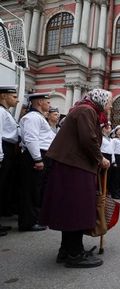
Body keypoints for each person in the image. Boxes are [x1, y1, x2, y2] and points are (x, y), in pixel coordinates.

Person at [39, 88, 112, 268]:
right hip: (74, 166)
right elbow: (88, 139)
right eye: (109, 101)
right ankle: (74, 254)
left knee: (71, 209)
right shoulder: (87, 111)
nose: (110, 105)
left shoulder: (84, 109)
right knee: (77, 208)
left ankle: (67, 249)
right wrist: (100, 158)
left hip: (72, 165)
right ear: (100, 100)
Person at [19, 92, 56, 232]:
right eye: (48, 101)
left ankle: (35, 218)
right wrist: (38, 159)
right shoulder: (32, 117)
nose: (49, 104)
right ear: (40, 102)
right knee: (31, 189)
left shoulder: (38, 117)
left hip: (41, 154)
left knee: (37, 188)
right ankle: (28, 222)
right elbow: (31, 139)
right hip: (35, 155)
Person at [0, 85, 19, 236]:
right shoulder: (0, 112)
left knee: (4, 186)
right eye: (13, 96)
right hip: (4, 149)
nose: (17, 100)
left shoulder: (6, 112)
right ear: (3, 96)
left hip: (8, 149)